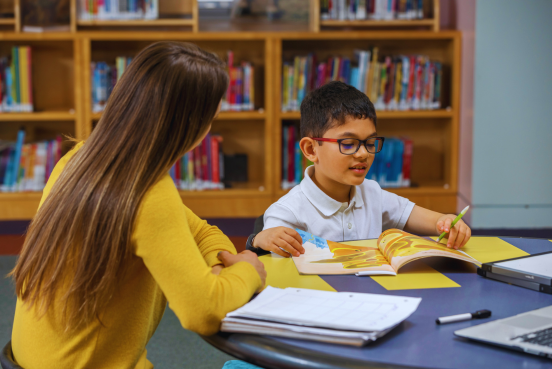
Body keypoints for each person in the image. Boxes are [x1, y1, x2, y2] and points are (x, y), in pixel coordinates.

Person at [9, 41, 266, 369]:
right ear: (191, 125)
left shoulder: (79, 160)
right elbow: (205, 312)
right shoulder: (148, 193)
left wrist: (217, 264)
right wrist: (248, 269)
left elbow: (199, 229)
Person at [248, 81, 471, 257]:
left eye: (370, 143)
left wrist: (448, 222)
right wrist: (262, 238)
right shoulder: (288, 211)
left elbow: (429, 219)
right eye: (348, 143)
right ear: (311, 149)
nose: (363, 153)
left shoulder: (371, 193)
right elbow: (268, 242)